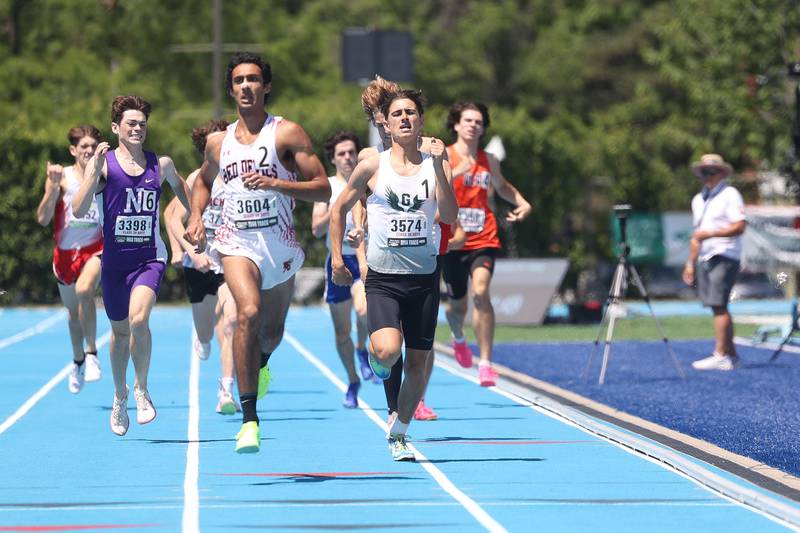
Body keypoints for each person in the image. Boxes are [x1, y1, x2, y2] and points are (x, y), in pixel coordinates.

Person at [184, 52, 330, 454]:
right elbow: (202, 183)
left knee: (272, 333)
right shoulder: (218, 143)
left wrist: (276, 184)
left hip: (278, 245)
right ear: (230, 89)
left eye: (253, 79)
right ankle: (249, 421)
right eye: (238, 80)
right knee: (245, 313)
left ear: (265, 86)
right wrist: (196, 216)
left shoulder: (287, 134)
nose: (245, 86)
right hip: (235, 243)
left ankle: (261, 364)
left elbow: (322, 188)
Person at [330, 89, 458, 461]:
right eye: (397, 113)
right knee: (387, 350)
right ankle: (378, 359)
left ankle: (399, 432)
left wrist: (439, 167)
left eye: (411, 113)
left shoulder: (437, 162)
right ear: (385, 124)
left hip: (424, 278)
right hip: (384, 277)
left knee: (417, 363)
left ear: (420, 122)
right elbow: (339, 209)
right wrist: (338, 259)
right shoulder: (372, 165)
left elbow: (448, 216)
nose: (404, 118)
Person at [73, 95, 191, 436]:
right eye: (131, 123)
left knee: (139, 320)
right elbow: (80, 209)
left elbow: (183, 191)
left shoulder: (161, 164)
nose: (138, 128)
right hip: (114, 264)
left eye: (142, 123)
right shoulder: (106, 166)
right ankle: (120, 394)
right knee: (120, 334)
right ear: (116, 128)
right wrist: (93, 170)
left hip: (149, 258)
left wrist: (195, 218)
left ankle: (141, 389)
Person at [357, 76, 445, 422]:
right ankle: (396, 402)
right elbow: (356, 200)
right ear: (378, 119)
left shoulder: (428, 151)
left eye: (402, 111)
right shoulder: (371, 157)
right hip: (381, 254)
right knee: (390, 346)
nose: (390, 119)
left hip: (425, 248)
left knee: (419, 346)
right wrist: (358, 236)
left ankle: (411, 399)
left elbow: (440, 195)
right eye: (381, 115)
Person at [442, 102, 532, 386]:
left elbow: (502, 185)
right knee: (457, 308)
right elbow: (431, 191)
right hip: (453, 242)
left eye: (478, 122)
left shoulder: (489, 159)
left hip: (483, 237)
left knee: (481, 292)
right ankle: (458, 337)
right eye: (467, 120)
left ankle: (486, 363)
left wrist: (523, 203)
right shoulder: (443, 155)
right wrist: (456, 173)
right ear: (456, 124)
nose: (473, 125)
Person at [165, 119, 239, 414]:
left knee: (232, 322)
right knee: (207, 333)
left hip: (229, 261)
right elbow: (172, 218)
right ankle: (203, 337)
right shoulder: (198, 178)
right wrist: (189, 253)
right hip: (198, 264)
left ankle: (226, 392)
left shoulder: (238, 176)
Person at [36, 125, 105, 394]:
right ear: (73, 150)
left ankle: (91, 354)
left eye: (93, 146)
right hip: (65, 255)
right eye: (84, 146)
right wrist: (52, 189)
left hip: (96, 248)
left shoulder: (104, 174)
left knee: (86, 289)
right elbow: (42, 219)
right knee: (73, 313)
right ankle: (77, 361)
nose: (88, 150)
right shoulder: (61, 177)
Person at [311, 131, 375, 408]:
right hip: (337, 261)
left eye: (351, 152)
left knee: (363, 309)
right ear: (333, 158)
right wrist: (336, 209)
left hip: (364, 258)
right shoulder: (326, 187)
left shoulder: (369, 181)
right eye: (342, 154)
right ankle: (352, 380)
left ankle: (362, 349)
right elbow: (315, 229)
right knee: (341, 332)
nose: (348, 157)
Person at [682, 153, 746, 371]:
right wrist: (690, 263)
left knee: (719, 304)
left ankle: (720, 354)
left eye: (711, 171)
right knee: (717, 305)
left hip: (725, 255)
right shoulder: (698, 199)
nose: (707, 175)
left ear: (721, 173)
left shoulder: (730, 194)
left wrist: (711, 234)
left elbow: (739, 225)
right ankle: (732, 355)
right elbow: (696, 235)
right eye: (703, 171)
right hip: (705, 256)